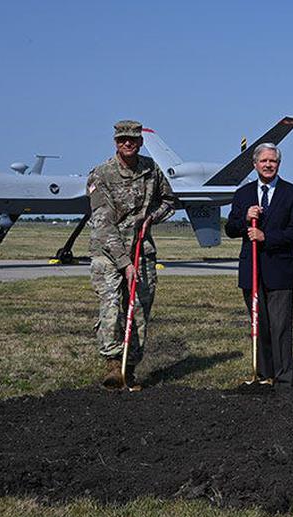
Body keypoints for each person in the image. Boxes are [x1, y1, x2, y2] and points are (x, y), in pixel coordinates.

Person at [88, 120, 176, 390]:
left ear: (140, 142)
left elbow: (170, 201)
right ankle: (113, 365)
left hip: (142, 249)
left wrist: (151, 218)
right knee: (112, 308)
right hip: (109, 253)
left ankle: (130, 367)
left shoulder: (151, 170)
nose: (128, 143)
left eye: (133, 139)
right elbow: (103, 224)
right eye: (122, 139)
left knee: (139, 310)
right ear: (115, 142)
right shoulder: (101, 174)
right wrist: (125, 264)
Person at [226, 143, 293, 388]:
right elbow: (230, 229)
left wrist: (266, 238)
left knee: (280, 325)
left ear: (278, 164)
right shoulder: (243, 194)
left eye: (273, 161)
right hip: (251, 269)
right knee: (258, 324)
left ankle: (283, 378)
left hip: (280, 269)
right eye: (264, 161)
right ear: (255, 164)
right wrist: (244, 219)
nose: (268, 165)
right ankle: (263, 374)